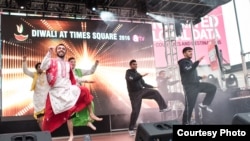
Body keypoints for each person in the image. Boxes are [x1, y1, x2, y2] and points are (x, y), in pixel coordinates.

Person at [40, 43, 102, 141]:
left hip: (67, 90)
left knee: (84, 90)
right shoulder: (51, 61)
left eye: (63, 48)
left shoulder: (68, 64)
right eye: (59, 48)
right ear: (56, 51)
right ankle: (44, 137)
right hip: (55, 93)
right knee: (47, 118)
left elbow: (73, 79)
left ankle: (91, 114)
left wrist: (77, 87)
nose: (61, 50)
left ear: (65, 51)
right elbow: (43, 67)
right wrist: (49, 53)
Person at [125, 59, 171, 136]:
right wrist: (141, 76)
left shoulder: (137, 73)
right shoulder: (128, 73)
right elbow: (131, 80)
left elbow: (144, 84)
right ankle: (131, 129)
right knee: (135, 111)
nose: (135, 65)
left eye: (136, 64)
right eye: (133, 64)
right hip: (134, 94)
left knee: (155, 92)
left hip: (141, 91)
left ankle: (163, 107)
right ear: (130, 65)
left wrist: (154, 86)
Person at [178, 47, 217, 125]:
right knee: (190, 106)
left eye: (191, 51)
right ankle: (185, 123)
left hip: (197, 85)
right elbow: (188, 71)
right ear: (184, 53)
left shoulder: (190, 62)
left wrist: (200, 77)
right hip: (190, 88)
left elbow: (191, 75)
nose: (191, 53)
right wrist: (198, 61)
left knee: (212, 88)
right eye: (189, 51)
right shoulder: (182, 62)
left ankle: (204, 104)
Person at [68, 57, 100, 131]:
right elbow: (75, 78)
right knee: (72, 113)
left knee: (89, 103)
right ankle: (72, 133)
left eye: (74, 62)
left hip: (78, 91)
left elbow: (91, 71)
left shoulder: (78, 71)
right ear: (68, 63)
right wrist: (86, 80)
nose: (73, 63)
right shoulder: (65, 72)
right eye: (71, 62)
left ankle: (88, 120)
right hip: (70, 93)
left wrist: (95, 64)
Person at [22, 56, 50, 129]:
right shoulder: (34, 75)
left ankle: (48, 133)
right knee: (40, 119)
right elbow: (26, 71)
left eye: (41, 67)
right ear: (36, 69)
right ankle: (44, 134)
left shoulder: (47, 75)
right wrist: (24, 61)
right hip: (38, 100)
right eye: (38, 67)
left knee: (48, 118)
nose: (40, 68)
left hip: (47, 99)